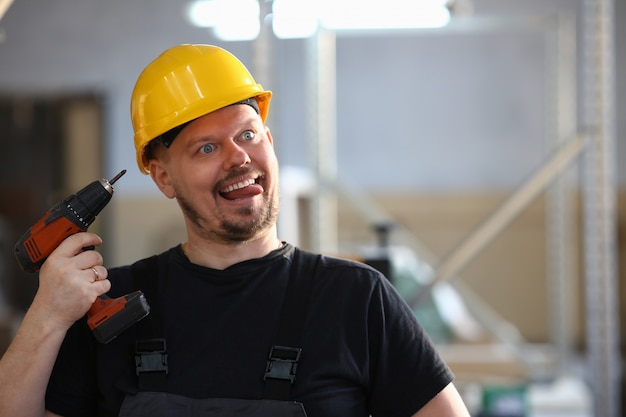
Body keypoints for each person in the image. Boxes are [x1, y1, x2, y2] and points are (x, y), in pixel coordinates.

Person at [0, 44, 470, 417]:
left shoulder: (356, 300)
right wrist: (48, 315)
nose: (238, 157)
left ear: (268, 140)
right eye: (206, 148)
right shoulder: (111, 307)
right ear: (163, 177)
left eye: (247, 135)